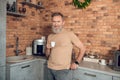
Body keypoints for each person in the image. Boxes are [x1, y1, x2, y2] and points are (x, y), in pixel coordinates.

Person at [46, 12, 86, 80]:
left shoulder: (69, 34)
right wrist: (47, 49)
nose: (56, 24)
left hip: (63, 71)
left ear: (63, 22)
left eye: (58, 21)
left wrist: (76, 62)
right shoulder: (50, 36)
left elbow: (83, 48)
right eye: (54, 22)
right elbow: (48, 54)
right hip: (50, 68)